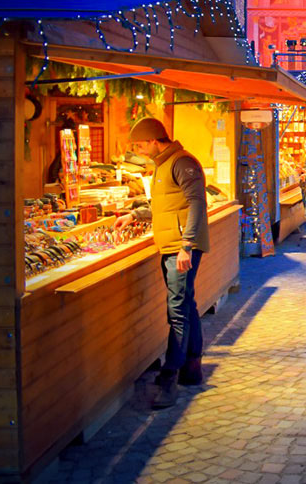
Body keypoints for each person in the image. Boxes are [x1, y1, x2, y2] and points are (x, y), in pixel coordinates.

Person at [114, 117, 209, 409]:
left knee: (177, 311)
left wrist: (186, 245)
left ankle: (170, 378)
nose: (139, 151)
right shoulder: (162, 165)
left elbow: (197, 202)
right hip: (171, 246)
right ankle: (192, 368)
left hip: (180, 248)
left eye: (141, 145)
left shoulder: (182, 162)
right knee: (186, 304)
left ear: (155, 141)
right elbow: (164, 205)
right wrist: (135, 215)